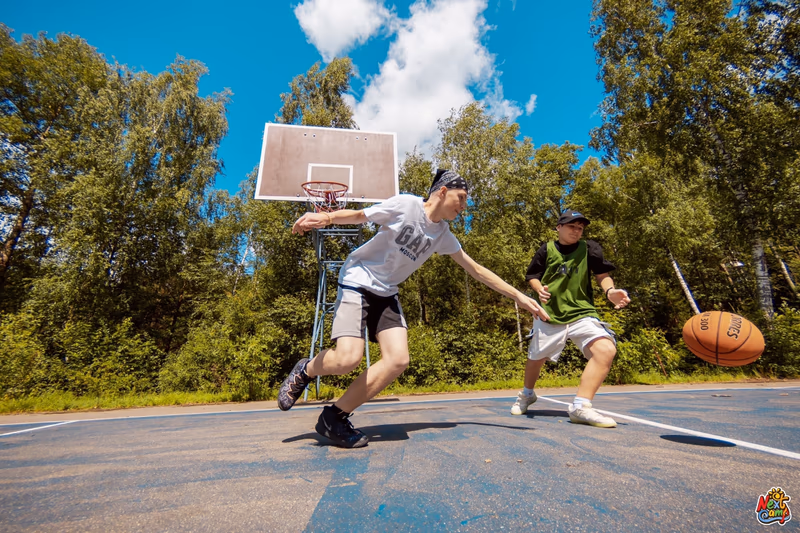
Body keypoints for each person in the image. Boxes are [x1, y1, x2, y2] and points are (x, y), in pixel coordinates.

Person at [277, 169, 551, 448]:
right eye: (461, 197)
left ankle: (334, 417)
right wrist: (327, 217)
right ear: (442, 191)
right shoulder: (406, 205)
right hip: (358, 280)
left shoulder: (443, 234)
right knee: (347, 359)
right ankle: (307, 369)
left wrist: (518, 296)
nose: (463, 205)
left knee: (398, 360)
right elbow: (362, 215)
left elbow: (476, 270)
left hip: (386, 292)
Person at [510, 209, 630, 427]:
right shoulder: (546, 249)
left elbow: (602, 274)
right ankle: (527, 394)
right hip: (549, 313)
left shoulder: (589, 249)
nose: (576, 230)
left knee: (606, 349)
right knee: (536, 358)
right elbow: (532, 276)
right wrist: (539, 290)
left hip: (581, 313)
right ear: (559, 227)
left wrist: (610, 292)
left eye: (580, 228)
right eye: (572, 226)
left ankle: (580, 407)